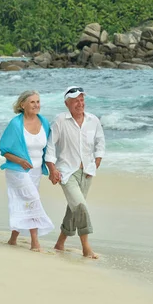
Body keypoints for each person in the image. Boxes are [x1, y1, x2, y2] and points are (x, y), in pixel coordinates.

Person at [45, 86, 105, 259]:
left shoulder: (93, 120)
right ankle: (86, 247)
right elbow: (50, 146)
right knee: (80, 206)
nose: (80, 103)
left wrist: (98, 159)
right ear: (67, 103)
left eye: (82, 100)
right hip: (66, 172)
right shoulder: (60, 120)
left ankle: (60, 243)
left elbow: (100, 141)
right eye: (75, 100)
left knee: (73, 209)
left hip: (87, 172)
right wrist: (52, 169)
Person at [0, 90, 54, 251]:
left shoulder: (44, 122)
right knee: (32, 200)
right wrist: (20, 161)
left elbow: (49, 148)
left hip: (36, 171)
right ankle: (35, 242)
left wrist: (52, 168)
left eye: (38, 101)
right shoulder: (16, 124)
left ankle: (13, 239)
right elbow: (4, 150)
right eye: (32, 102)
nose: (36, 105)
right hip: (17, 170)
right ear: (22, 105)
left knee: (24, 203)